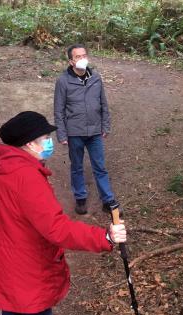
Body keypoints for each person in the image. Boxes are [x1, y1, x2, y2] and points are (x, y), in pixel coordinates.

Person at [0, 111, 127, 315]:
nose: (49, 143)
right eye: (45, 139)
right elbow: (56, 229)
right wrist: (104, 237)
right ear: (28, 144)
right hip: (26, 269)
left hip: (6, 265)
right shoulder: (25, 176)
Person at [54, 44, 118, 215]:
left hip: (95, 131)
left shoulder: (96, 78)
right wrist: (61, 133)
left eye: (84, 55)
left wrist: (105, 125)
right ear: (71, 62)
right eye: (77, 57)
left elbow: (104, 104)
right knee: (77, 166)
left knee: (100, 166)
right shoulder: (63, 81)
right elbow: (58, 110)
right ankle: (80, 198)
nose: (82, 59)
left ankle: (108, 200)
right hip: (75, 132)